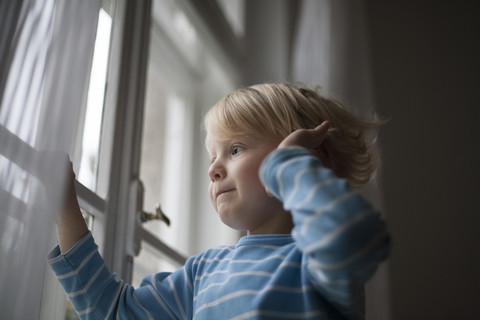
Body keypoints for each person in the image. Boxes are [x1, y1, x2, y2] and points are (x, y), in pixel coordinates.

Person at [47, 83, 390, 319]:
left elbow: (356, 236)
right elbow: (111, 312)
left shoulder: (318, 259)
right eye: (213, 155)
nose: (213, 169)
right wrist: (64, 205)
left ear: (306, 160)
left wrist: (287, 169)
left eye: (235, 149)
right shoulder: (202, 274)